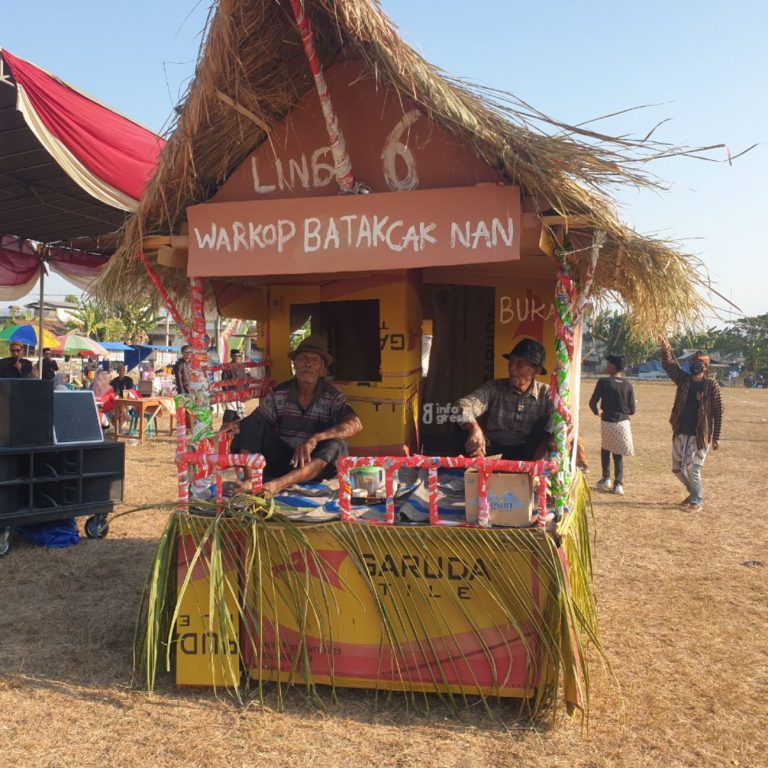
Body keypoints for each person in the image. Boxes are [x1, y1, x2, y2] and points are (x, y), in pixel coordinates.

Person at [223, 336, 362, 497]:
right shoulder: (280, 393)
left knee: (338, 444)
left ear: (322, 369)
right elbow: (257, 421)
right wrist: (237, 424)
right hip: (281, 459)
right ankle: (250, 480)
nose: (308, 364)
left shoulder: (332, 395)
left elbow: (355, 423)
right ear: (294, 365)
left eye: (314, 360)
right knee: (249, 423)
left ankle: (277, 485)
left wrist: (315, 438)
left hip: (313, 465)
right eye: (302, 359)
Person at [456, 337, 553, 461]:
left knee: (551, 421)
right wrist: (474, 427)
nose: (512, 368)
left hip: (528, 453)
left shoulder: (547, 393)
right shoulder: (494, 387)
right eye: (511, 362)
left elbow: (561, 421)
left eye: (520, 364)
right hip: (492, 449)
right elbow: (462, 405)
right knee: (463, 426)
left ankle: (535, 470)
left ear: (536, 371)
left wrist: (550, 440)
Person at [661, 339, 723, 513]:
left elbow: (718, 413)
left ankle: (696, 501)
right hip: (681, 430)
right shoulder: (683, 380)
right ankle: (694, 492)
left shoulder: (712, 386)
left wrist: (716, 437)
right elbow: (670, 365)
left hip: (699, 434)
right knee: (677, 468)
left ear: (705, 367)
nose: (695, 367)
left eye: (700, 364)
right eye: (694, 362)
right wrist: (665, 348)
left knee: (693, 469)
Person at [589, 354, 636, 495]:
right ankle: (618, 484)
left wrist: (596, 411)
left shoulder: (604, 382)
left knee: (606, 448)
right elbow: (632, 410)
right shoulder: (628, 385)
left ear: (613, 367)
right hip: (623, 422)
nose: (606, 366)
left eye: (608, 364)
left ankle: (606, 478)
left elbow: (592, 402)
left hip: (607, 420)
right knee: (618, 453)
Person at [221, 348, 247, 418]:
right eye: (235, 356)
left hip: (241, 395)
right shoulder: (227, 367)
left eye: (238, 356)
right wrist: (228, 395)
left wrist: (245, 391)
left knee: (241, 416)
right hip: (231, 396)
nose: (237, 357)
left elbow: (245, 380)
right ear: (231, 356)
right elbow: (224, 382)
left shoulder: (241, 366)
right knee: (231, 415)